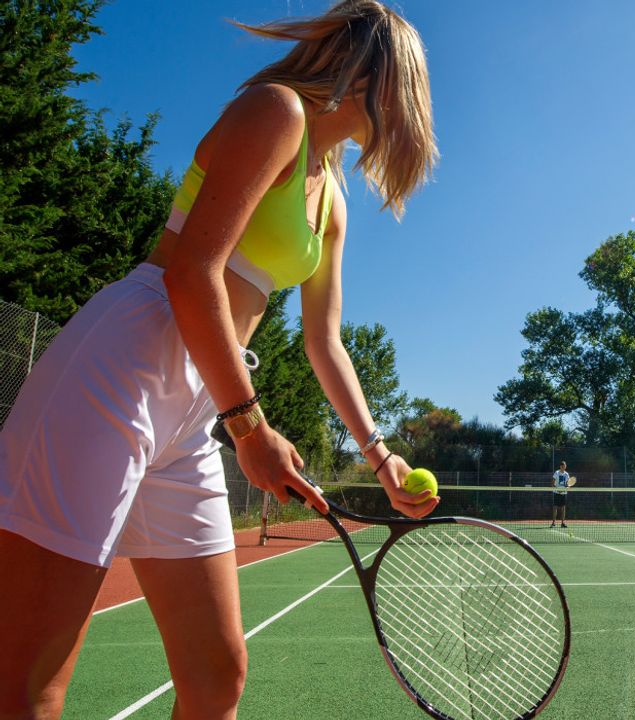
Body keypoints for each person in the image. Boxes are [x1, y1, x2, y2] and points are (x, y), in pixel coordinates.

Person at [0, 2, 438, 716]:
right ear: (376, 78)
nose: (416, 112)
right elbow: (192, 271)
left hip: (200, 402)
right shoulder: (277, 113)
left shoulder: (331, 203)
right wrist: (249, 426)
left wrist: (380, 455)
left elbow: (323, 341)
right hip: (124, 365)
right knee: (28, 683)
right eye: (412, 89)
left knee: (216, 677)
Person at [550, 461, 571, 528]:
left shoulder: (566, 474)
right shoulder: (556, 473)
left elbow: (568, 484)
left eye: (565, 466)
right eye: (562, 466)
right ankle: (553, 523)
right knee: (555, 507)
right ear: (560, 466)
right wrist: (557, 490)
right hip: (556, 493)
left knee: (563, 508)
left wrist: (567, 488)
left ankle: (563, 523)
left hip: (564, 493)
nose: (564, 467)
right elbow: (552, 483)